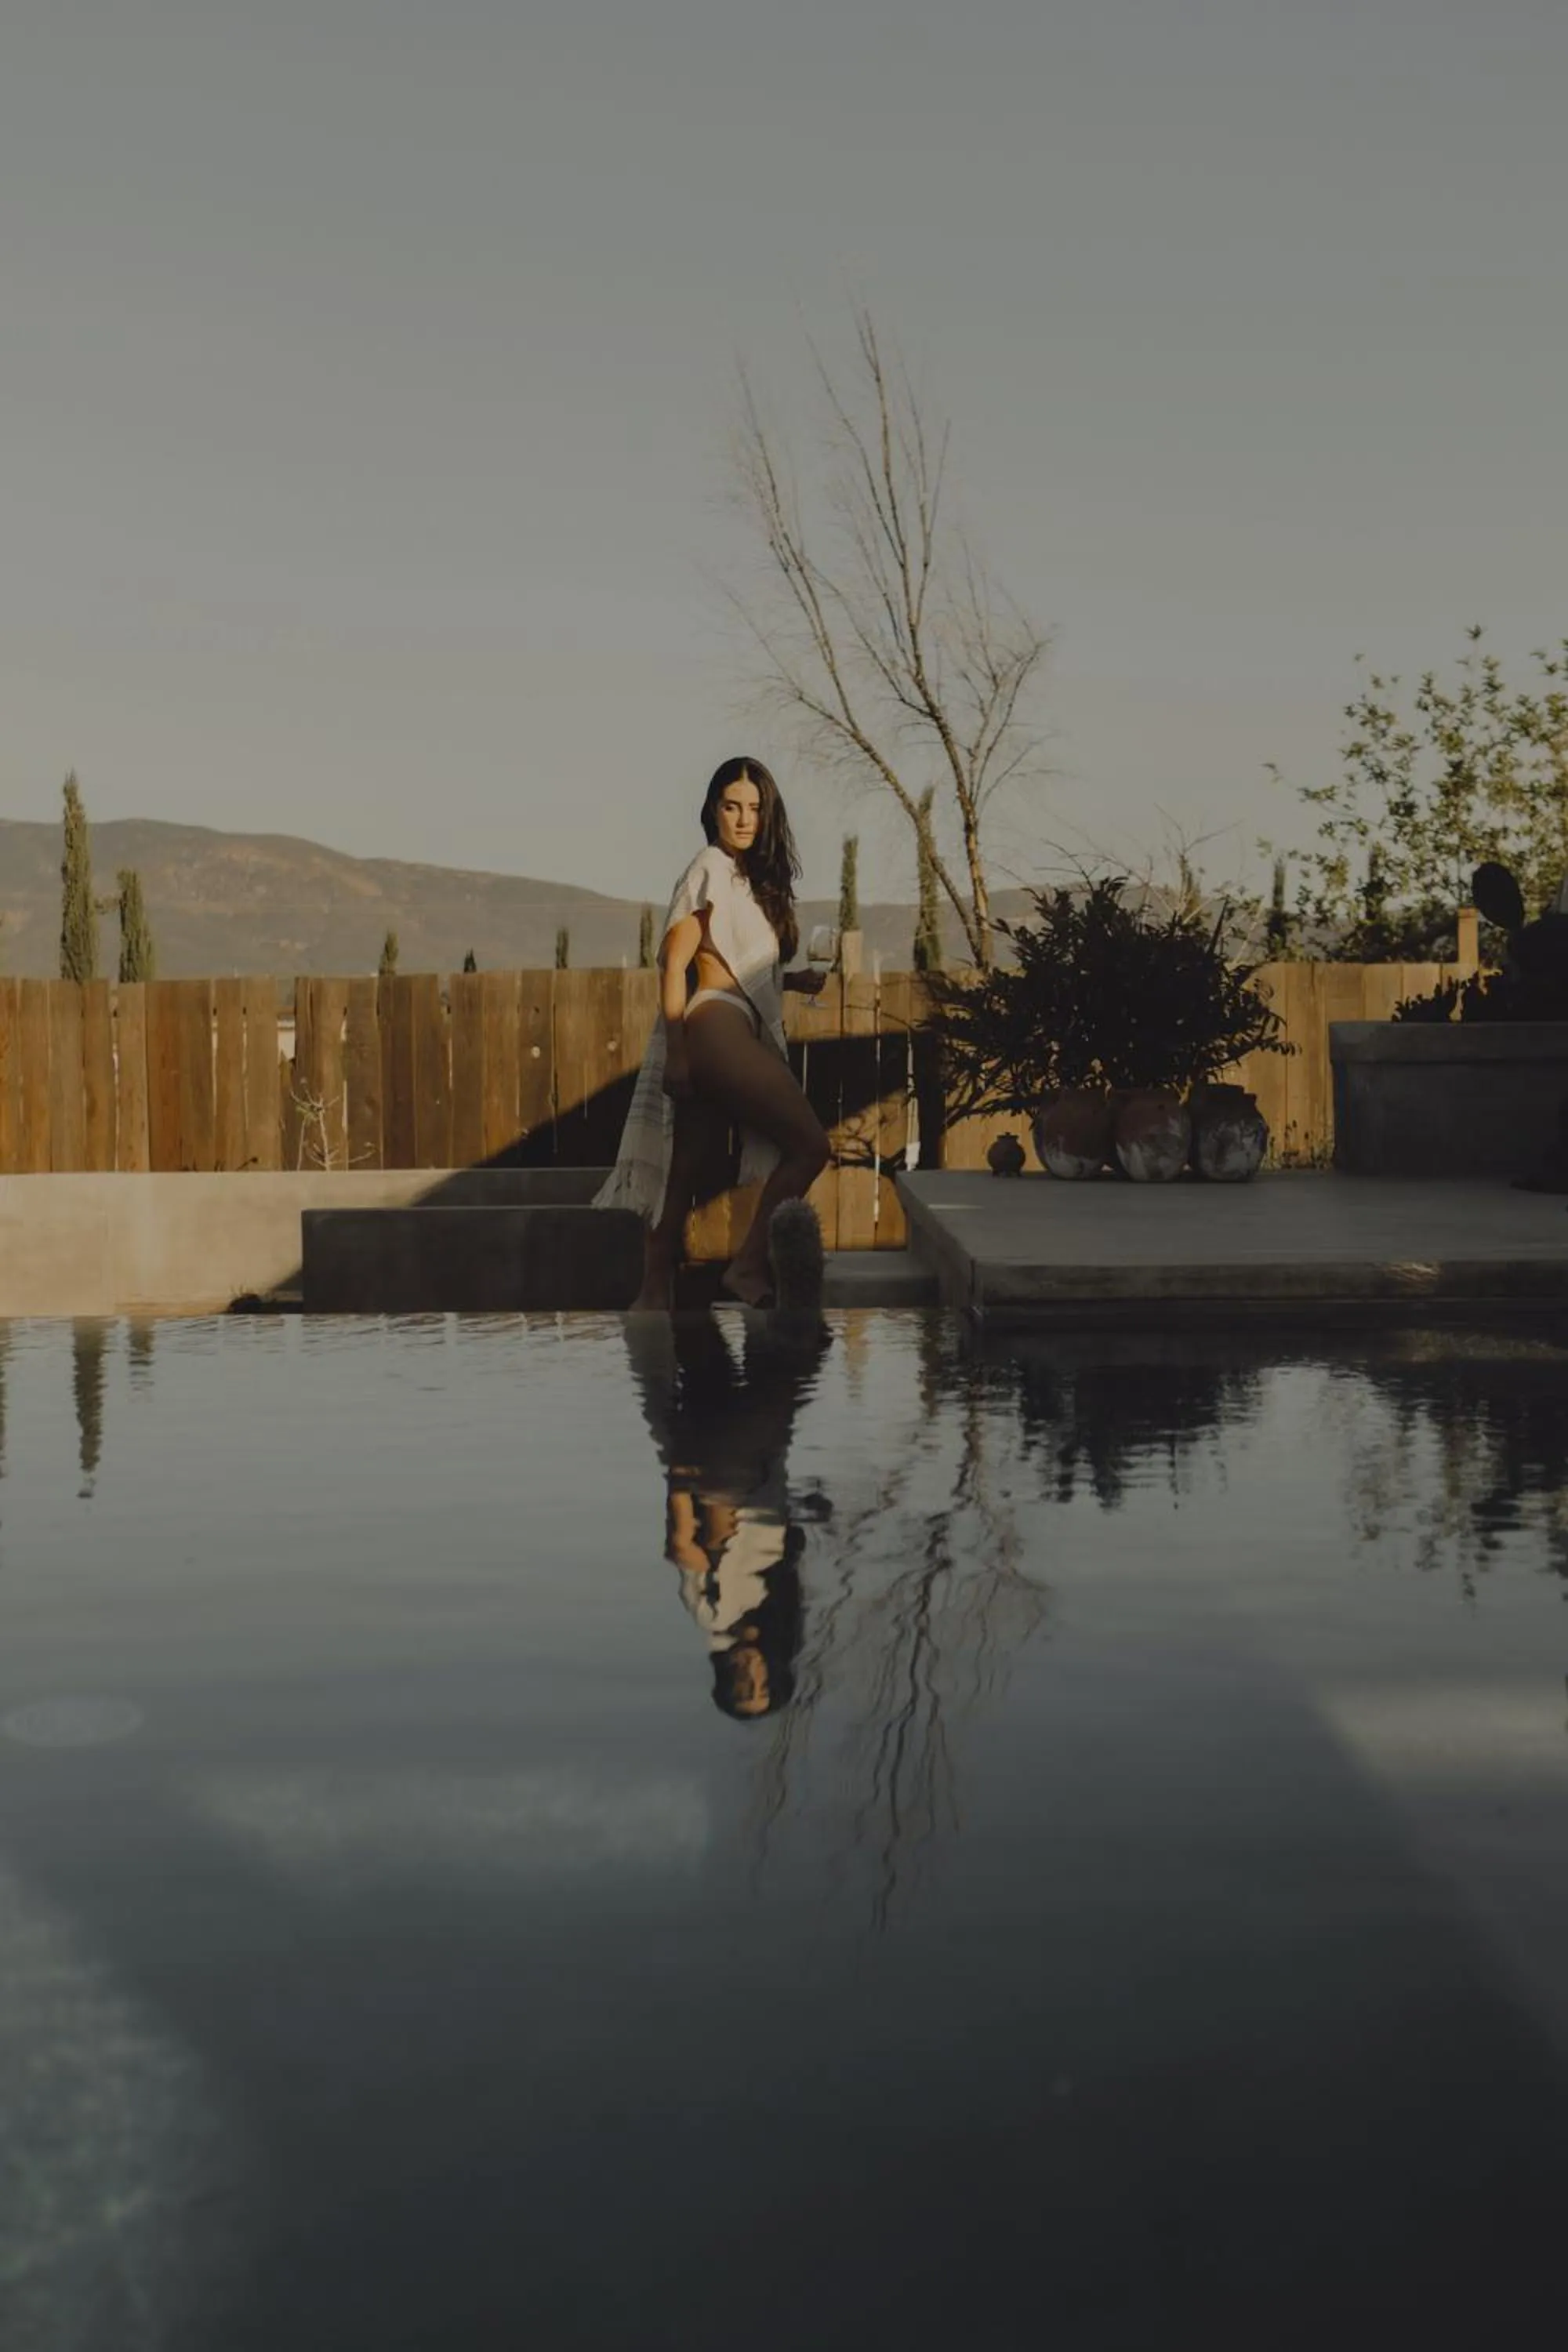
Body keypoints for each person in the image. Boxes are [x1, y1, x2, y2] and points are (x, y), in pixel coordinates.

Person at [595, 757, 830, 1309]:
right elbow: (675, 964)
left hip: (731, 1022)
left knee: (688, 1166)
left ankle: (655, 1284)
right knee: (810, 1147)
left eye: (755, 808)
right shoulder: (707, 867)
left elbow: (733, 961)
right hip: (713, 1025)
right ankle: (747, 1268)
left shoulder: (746, 881)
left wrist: (791, 981)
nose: (745, 819)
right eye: (733, 806)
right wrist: (677, 1054)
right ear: (713, 810)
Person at [625, 1310, 828, 1720]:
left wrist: (681, 1475)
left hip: (719, 1472)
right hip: (760, 1472)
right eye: (759, 1684)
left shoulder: (715, 1617)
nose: (748, 1675)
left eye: (740, 1686)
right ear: (773, 1671)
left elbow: (684, 1545)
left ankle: (725, 1290)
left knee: (716, 1356)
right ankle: (747, 1292)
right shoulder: (781, 1612)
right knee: (771, 1359)